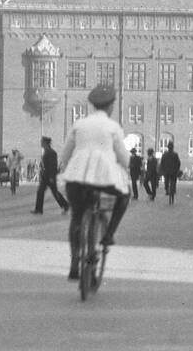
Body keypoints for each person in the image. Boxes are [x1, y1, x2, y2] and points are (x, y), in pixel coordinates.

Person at [60, 84, 131, 280]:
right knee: (125, 196)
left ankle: (75, 261)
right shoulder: (113, 127)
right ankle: (108, 234)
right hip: (103, 177)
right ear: (110, 106)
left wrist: (67, 166)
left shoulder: (79, 124)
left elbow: (65, 154)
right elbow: (123, 157)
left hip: (76, 176)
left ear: (93, 105)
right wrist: (125, 166)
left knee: (77, 216)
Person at [32, 135, 69, 213]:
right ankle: (38, 209)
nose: (40, 143)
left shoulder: (51, 152)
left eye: (41, 142)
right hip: (46, 176)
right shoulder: (46, 151)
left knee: (54, 192)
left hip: (50, 176)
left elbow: (53, 166)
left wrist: (52, 177)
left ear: (45, 143)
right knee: (41, 191)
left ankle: (65, 205)